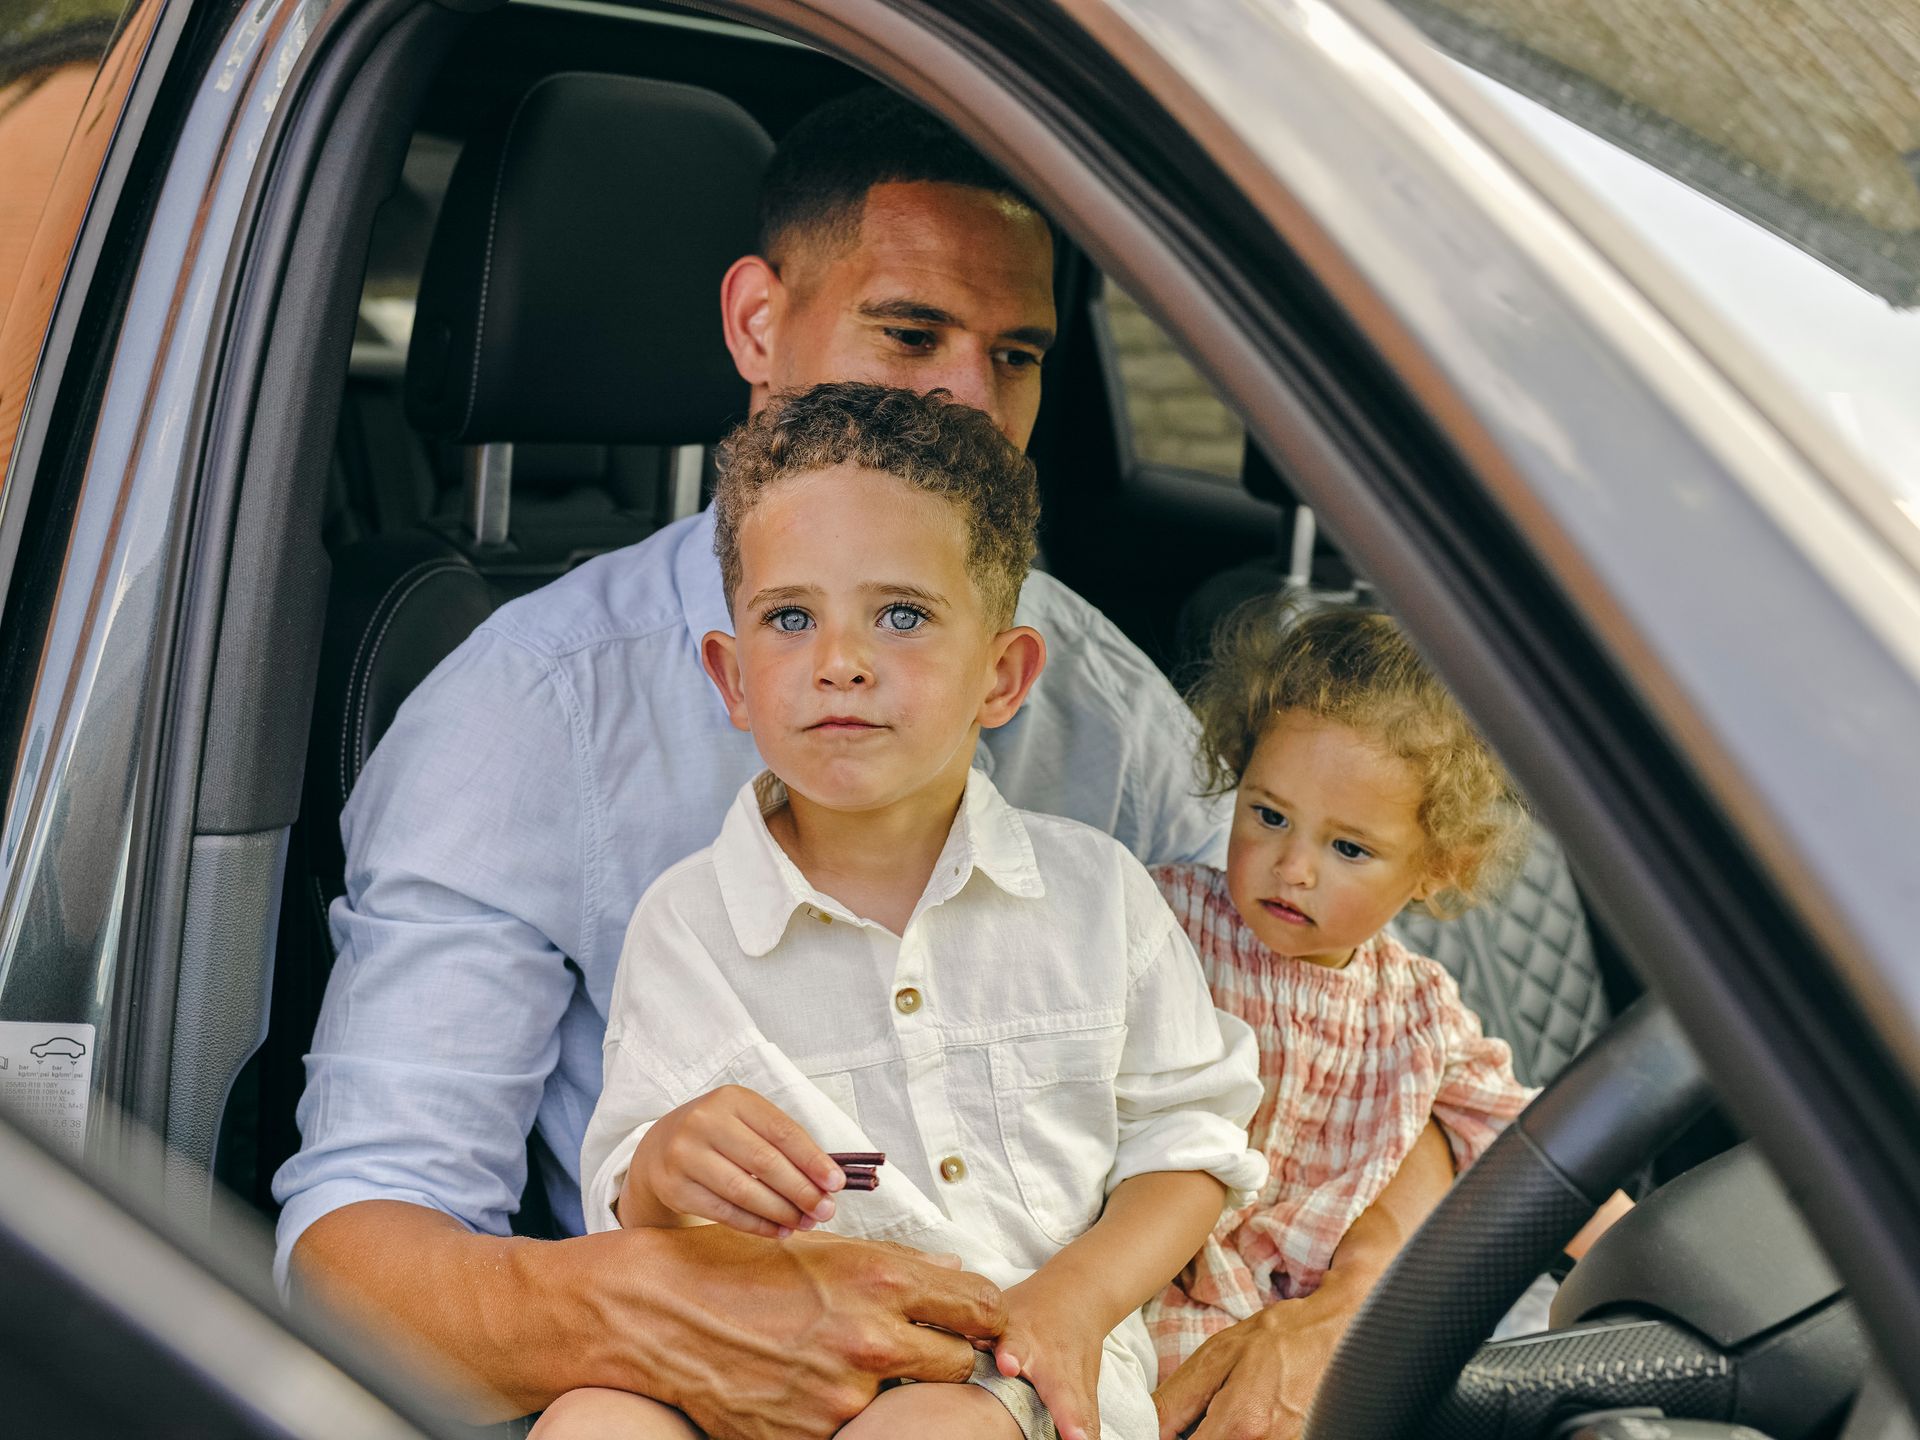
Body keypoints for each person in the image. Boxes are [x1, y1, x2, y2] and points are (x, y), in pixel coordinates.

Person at [275, 87, 1450, 1438]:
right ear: (759, 327)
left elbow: (1331, 1006)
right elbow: (352, 1264)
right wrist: (671, 1318)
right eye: (910, 333)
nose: (968, 397)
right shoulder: (527, 715)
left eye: (1015, 355)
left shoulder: (1103, 706)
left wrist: (1342, 1315)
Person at [531, 383, 1265, 1440]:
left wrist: (1075, 1302)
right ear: (733, 681)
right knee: (590, 1425)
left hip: (1002, 1368)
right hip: (756, 1357)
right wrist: (660, 1170)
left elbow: (1191, 1143)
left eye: (903, 615)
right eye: (791, 618)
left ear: (1002, 676)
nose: (839, 660)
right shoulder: (688, 922)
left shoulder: (1099, 899)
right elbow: (633, 1195)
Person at [1145, 598, 1632, 1439]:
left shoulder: (1419, 1010)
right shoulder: (1159, 924)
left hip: (1340, 1340)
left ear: (1436, 870)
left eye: (1348, 849)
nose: (1291, 867)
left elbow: (1538, 1153)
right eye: (1267, 815)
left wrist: (1648, 1257)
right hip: (1162, 1300)